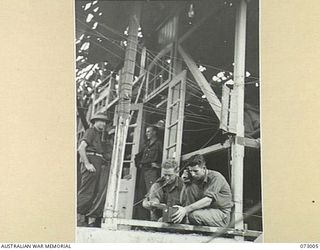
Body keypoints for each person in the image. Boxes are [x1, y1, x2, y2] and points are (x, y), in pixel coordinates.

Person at [172, 154, 233, 227]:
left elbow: (208, 201)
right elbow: (182, 201)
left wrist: (185, 210)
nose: (193, 174)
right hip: (203, 211)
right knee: (176, 216)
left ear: (204, 168)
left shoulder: (216, 177)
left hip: (221, 214)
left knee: (194, 216)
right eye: (190, 171)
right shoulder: (194, 178)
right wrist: (185, 183)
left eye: (195, 171)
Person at [77, 112, 113, 227]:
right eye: (100, 121)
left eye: (104, 122)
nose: (103, 124)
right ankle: (79, 219)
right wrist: (87, 163)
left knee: (94, 191)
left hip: (98, 162)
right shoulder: (91, 132)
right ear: (95, 122)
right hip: (91, 161)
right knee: (86, 191)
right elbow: (81, 148)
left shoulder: (100, 134)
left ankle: (87, 220)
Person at [134, 122, 163, 220]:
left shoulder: (159, 143)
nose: (147, 134)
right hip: (143, 171)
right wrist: (139, 165)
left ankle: (153, 219)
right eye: (146, 132)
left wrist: (159, 165)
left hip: (152, 172)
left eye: (149, 131)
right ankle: (143, 219)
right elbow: (137, 157)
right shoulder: (146, 144)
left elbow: (165, 156)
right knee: (142, 194)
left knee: (152, 194)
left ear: (154, 132)